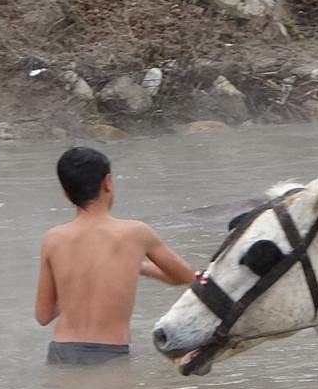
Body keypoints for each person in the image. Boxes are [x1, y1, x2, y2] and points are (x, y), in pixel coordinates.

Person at [36, 146, 197, 365]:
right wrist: (140, 267)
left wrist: (74, 293)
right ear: (108, 182)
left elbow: (43, 315)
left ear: (66, 193)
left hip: (61, 350)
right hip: (110, 352)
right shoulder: (136, 232)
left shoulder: (53, 238)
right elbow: (186, 276)